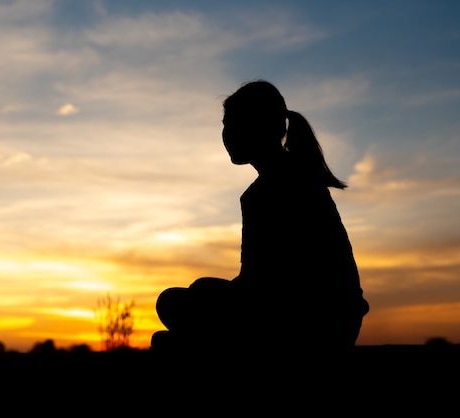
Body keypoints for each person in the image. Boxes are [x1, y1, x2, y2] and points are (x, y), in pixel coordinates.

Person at [151, 80, 369, 357]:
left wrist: (212, 293)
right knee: (193, 297)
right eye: (225, 124)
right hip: (335, 322)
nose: (227, 134)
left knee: (172, 302)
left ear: (261, 128)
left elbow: (272, 287)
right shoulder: (294, 178)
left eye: (234, 123)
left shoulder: (275, 188)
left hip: (310, 326)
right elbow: (259, 279)